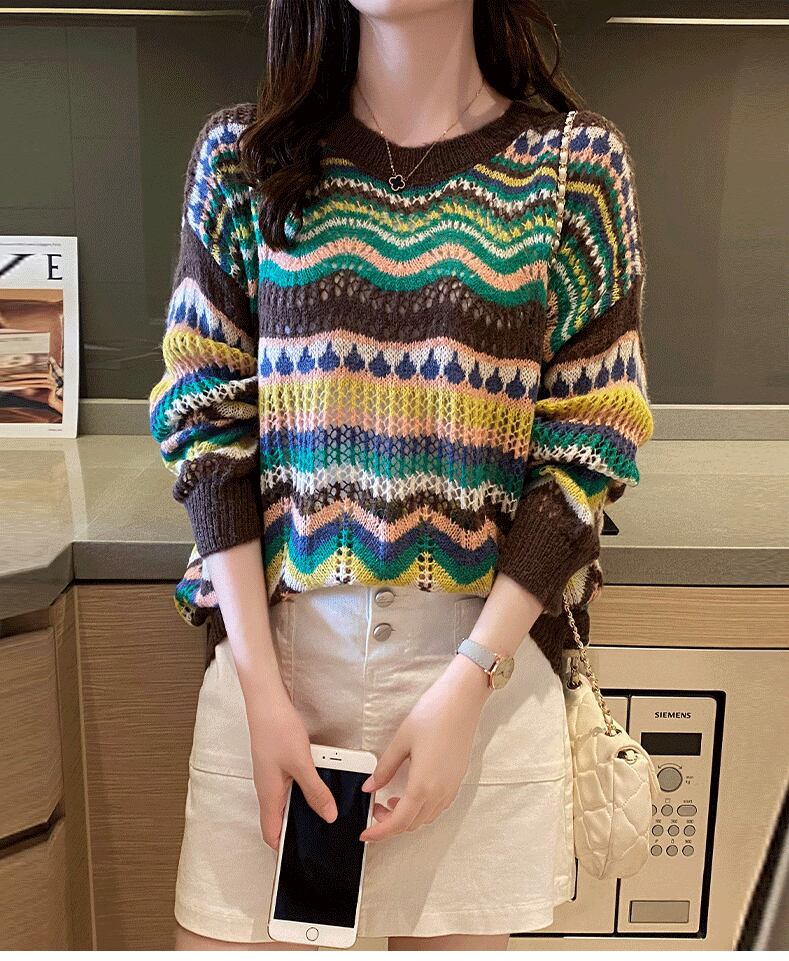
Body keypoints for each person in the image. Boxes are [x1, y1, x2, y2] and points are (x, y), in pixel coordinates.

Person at [148, 0, 653, 950]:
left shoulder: (574, 169)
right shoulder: (242, 160)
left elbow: (591, 440)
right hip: (277, 682)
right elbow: (205, 420)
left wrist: (471, 679)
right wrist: (259, 689)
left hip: (478, 688)